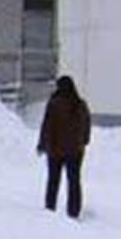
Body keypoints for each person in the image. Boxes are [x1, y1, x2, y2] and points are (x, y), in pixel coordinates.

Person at [37, 75, 91, 219]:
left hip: (55, 150)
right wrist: (84, 141)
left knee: (53, 180)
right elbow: (86, 124)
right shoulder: (80, 104)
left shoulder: (54, 103)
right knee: (74, 180)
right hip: (75, 150)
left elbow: (47, 126)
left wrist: (42, 144)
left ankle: (50, 207)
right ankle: (74, 211)